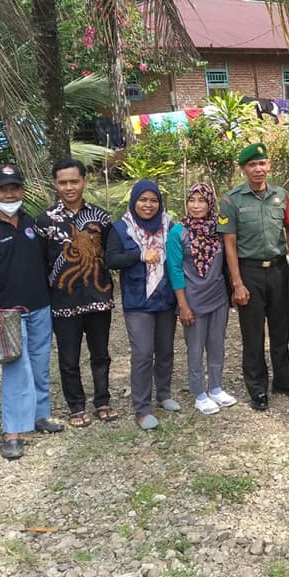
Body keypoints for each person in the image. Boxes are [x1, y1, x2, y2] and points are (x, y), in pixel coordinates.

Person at [0, 165, 63, 461]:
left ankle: (40, 415)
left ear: (22, 190)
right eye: (3, 189)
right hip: (7, 312)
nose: (9, 194)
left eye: (14, 188)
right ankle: (13, 432)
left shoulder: (31, 222)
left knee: (40, 364)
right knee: (16, 369)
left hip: (40, 305)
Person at [218, 143, 289, 411]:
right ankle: (257, 388)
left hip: (279, 270)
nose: (258, 169)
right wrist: (237, 283)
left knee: (281, 330)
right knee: (253, 335)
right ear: (243, 169)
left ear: (268, 165)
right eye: (252, 165)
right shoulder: (231, 200)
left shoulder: (281, 195)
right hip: (249, 272)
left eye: (262, 163)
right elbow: (229, 243)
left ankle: (283, 380)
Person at [35, 158, 116, 428]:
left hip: (98, 297)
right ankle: (76, 406)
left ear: (84, 182)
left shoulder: (102, 218)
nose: (69, 187)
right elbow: (40, 263)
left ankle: (102, 401)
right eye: (63, 182)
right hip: (63, 300)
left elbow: (110, 255)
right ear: (55, 184)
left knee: (100, 354)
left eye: (74, 181)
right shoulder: (44, 221)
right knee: (69, 358)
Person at [107, 180, 179, 430]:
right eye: (143, 199)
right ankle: (142, 407)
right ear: (134, 201)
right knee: (143, 353)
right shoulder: (121, 228)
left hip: (166, 298)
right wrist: (139, 255)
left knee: (165, 349)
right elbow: (111, 259)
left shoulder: (169, 225)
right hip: (138, 301)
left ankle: (164, 393)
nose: (148, 205)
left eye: (153, 200)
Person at [167, 183, 235, 415]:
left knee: (217, 344)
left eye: (202, 201)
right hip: (192, 300)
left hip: (218, 297)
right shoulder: (178, 232)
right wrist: (182, 305)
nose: (196, 206)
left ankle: (215, 388)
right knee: (195, 348)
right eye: (192, 200)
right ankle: (199, 393)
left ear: (210, 203)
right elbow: (175, 270)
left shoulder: (218, 228)